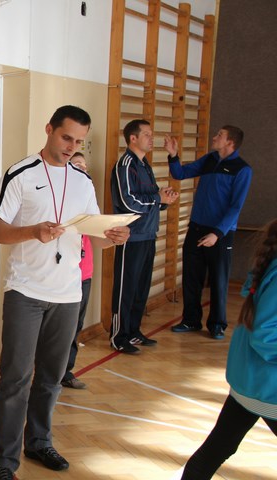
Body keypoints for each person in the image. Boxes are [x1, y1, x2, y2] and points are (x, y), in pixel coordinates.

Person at [0, 105, 130, 480]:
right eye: (67, 137)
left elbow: (96, 238)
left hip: (68, 294)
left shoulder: (82, 182)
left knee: (51, 377)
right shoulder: (20, 173)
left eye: (79, 141)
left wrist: (114, 237)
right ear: (49, 129)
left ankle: (39, 442)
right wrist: (32, 231)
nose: (71, 147)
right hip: (25, 291)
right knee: (15, 379)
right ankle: (4, 460)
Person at [180, 219, 277, 479]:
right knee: (214, 451)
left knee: (215, 450)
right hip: (267, 388)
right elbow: (266, 335)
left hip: (250, 383)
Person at [167, 126, 252, 339]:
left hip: (220, 234)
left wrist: (217, 233)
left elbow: (236, 206)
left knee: (218, 280)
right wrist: (173, 155)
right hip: (196, 228)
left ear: (230, 142)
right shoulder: (209, 159)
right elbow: (179, 173)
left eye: (219, 135)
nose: (214, 137)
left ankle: (217, 325)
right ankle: (190, 320)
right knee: (191, 277)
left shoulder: (242, 169)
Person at [110, 120, 179, 354]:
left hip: (148, 234)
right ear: (133, 138)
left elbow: (149, 198)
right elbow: (128, 201)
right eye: (147, 134)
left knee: (141, 288)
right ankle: (118, 336)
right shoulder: (125, 165)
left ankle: (133, 331)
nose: (152, 138)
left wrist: (164, 198)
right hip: (130, 237)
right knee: (126, 289)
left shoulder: (144, 164)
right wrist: (158, 199)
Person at [60, 152, 91, 390]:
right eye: (77, 164)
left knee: (76, 326)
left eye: (84, 166)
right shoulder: (61, 200)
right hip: (64, 273)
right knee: (61, 327)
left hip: (85, 272)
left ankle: (66, 371)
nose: (82, 169)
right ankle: (52, 370)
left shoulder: (88, 198)